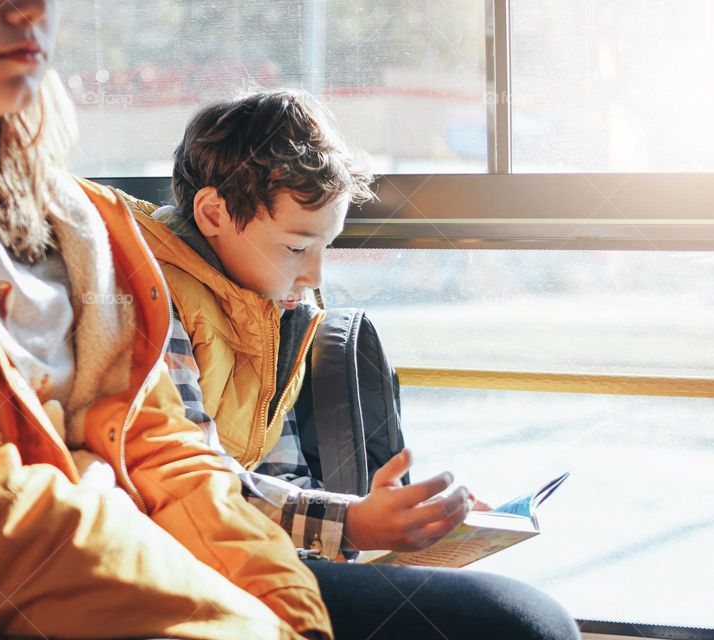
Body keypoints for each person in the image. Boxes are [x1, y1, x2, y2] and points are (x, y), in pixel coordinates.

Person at [0, 2, 333, 638]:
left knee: (482, 613)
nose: (29, 8)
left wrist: (289, 616)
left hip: (141, 576)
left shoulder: (81, 221)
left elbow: (165, 449)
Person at [133, 89, 582, 640]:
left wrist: (393, 523)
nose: (315, 276)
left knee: (523, 618)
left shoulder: (272, 307)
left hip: (246, 550)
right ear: (213, 213)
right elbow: (183, 486)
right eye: (297, 248)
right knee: (526, 625)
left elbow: (278, 475)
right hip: (174, 563)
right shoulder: (148, 296)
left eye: (327, 246)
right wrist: (352, 522)